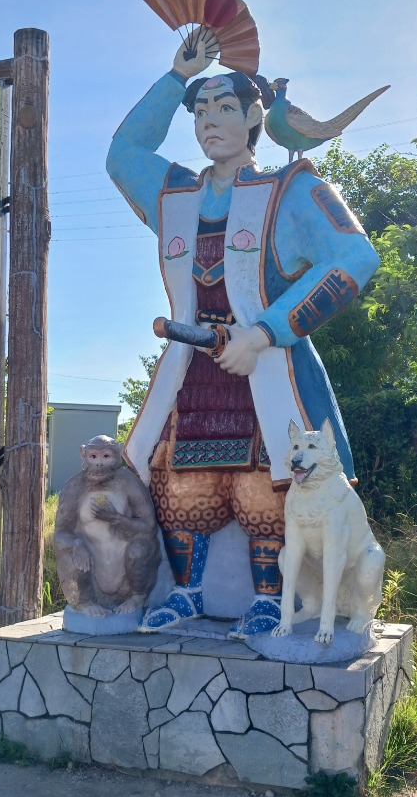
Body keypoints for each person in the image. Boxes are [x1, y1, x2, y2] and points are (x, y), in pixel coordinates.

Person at [106, 32, 379, 637]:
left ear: (257, 117)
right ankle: (189, 592)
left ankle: (266, 598)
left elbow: (356, 258)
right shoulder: (174, 193)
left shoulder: (293, 190)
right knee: (179, 482)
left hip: (266, 371)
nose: (209, 122)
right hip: (191, 371)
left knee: (268, 486)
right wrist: (177, 77)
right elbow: (123, 151)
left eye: (225, 108)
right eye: (200, 111)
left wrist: (266, 332)